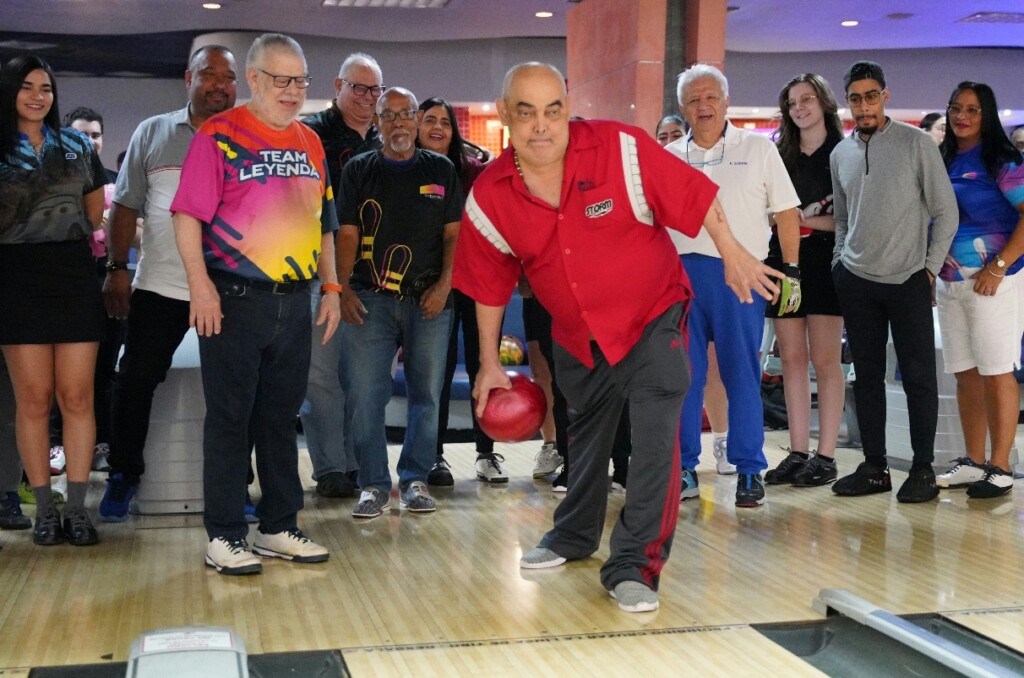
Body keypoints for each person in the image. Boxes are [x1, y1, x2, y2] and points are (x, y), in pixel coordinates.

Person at [454, 62, 781, 613]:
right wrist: (488, 361)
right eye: (526, 112)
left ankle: (634, 565)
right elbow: (488, 283)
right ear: (505, 114)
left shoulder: (621, 148)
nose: (541, 125)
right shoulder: (489, 195)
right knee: (586, 436)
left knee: (655, 440)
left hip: (653, 315)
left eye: (552, 110)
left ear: (567, 108)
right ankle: (572, 534)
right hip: (577, 332)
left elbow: (695, 196)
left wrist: (732, 253)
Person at [172, 33, 338, 574]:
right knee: (230, 419)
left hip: (295, 301)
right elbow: (187, 216)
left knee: (280, 418)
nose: (293, 90)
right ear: (255, 79)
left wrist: (332, 288)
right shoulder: (219, 136)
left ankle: (277, 526)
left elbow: (325, 224)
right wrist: (200, 286)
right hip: (234, 299)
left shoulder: (311, 143)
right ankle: (224, 534)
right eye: (281, 79)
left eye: (301, 80)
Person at [98, 45, 238, 522]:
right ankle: (123, 474)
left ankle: (236, 484)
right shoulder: (153, 132)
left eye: (229, 77)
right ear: (188, 78)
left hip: (228, 289)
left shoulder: (247, 137)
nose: (219, 84)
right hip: (159, 286)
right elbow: (125, 206)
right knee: (134, 381)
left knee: (235, 392)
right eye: (209, 74)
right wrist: (117, 267)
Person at [665, 64, 802, 508]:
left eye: (711, 97)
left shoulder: (759, 149)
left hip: (742, 278)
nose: (703, 106)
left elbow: (786, 212)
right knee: (684, 378)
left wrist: (792, 271)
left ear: (726, 101)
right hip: (681, 279)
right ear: (682, 107)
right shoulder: (668, 156)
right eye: (693, 100)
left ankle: (748, 470)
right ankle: (684, 469)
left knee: (741, 374)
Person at [830, 60, 958, 503]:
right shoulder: (840, 154)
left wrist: (929, 269)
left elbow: (945, 211)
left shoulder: (916, 143)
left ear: (885, 96)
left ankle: (922, 469)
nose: (864, 106)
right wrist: (839, 263)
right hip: (856, 280)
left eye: (871, 96)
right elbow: (842, 218)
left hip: (908, 279)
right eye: (855, 98)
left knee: (919, 377)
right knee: (866, 378)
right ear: (847, 102)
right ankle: (875, 467)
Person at [336, 87, 462, 519]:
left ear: (417, 120)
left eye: (405, 114)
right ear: (377, 123)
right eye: (388, 116)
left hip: (429, 300)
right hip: (368, 299)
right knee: (364, 396)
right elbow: (347, 233)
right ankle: (373, 484)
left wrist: (444, 286)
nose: (398, 124)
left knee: (426, 394)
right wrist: (342, 288)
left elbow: (454, 234)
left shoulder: (441, 169)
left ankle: (414, 480)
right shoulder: (358, 169)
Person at [0, 55, 107, 546]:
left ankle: (78, 510)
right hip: (15, 276)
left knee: (77, 396)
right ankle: (45, 510)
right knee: (34, 399)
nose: (37, 96)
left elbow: (93, 214)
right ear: (9, 91)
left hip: (72, 273)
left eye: (45, 88)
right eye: (26, 86)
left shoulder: (77, 145)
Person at [299, 52, 384, 499]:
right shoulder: (310, 133)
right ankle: (331, 467)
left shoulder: (385, 138)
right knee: (322, 375)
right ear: (338, 86)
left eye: (375, 90)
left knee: (362, 379)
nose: (368, 98)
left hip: (374, 276)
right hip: (321, 272)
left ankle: (356, 463)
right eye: (359, 88)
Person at [934, 81, 1024, 498]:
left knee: (996, 369)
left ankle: (1000, 467)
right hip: (951, 282)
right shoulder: (943, 157)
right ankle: (973, 462)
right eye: (956, 108)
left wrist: (999, 267)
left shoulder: (1002, 160)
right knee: (965, 372)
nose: (962, 116)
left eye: (972, 109)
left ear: (986, 115)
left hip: (994, 281)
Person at [762, 74, 847, 488]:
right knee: (791, 359)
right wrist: (786, 223)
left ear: (825, 103)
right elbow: (767, 213)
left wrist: (802, 221)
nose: (799, 108)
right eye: (792, 102)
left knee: (826, 360)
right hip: (784, 263)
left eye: (807, 99)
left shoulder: (844, 153)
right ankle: (797, 452)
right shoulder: (778, 155)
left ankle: (825, 455)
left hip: (828, 263)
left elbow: (849, 218)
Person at [415, 96, 504, 485]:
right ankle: (434, 456)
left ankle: (486, 453)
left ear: (454, 132)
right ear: (417, 126)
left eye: (445, 122)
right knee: (438, 371)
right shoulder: (408, 170)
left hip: (479, 282)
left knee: (484, 364)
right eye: (430, 120)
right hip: (432, 285)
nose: (438, 127)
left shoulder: (474, 172)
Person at [654, 112, 732, 477]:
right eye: (663, 135)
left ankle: (722, 441)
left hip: (709, 275)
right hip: (666, 280)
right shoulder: (652, 178)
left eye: (675, 133)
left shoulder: (702, 172)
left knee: (712, 368)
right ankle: (676, 456)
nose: (669, 139)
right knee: (678, 372)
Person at [49, 106, 121, 475]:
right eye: (81, 134)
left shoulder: (115, 181)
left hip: (109, 277)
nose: (90, 141)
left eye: (95, 134)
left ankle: (103, 442)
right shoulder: (53, 180)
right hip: (65, 282)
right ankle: (57, 443)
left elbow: (135, 230)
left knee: (105, 368)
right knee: (61, 370)